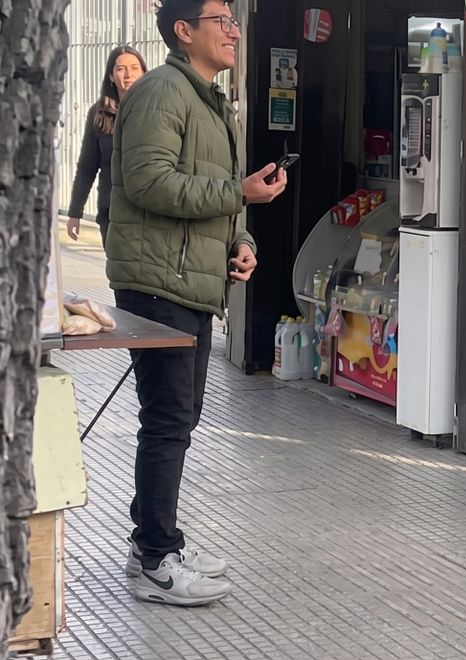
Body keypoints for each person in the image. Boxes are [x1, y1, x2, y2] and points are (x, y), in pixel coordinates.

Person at [106, 0, 288, 606]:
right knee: (168, 421)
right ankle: (158, 557)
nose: (235, 29)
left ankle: (151, 541)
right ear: (185, 32)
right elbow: (147, 181)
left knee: (177, 419)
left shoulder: (214, 101)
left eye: (235, 19)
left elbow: (221, 202)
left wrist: (242, 241)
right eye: (222, 20)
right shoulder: (162, 91)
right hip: (158, 282)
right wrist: (236, 192)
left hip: (189, 281)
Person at [65, 46, 148, 247]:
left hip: (148, 210)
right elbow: (87, 166)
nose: (128, 74)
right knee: (117, 273)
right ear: (111, 76)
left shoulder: (155, 108)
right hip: (111, 210)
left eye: (134, 68)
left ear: (144, 72)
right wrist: (75, 212)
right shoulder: (99, 113)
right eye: (120, 69)